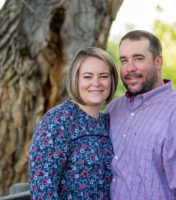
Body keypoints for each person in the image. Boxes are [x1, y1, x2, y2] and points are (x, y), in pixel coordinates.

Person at [105, 30, 176, 200]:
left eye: (138, 58)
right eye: (124, 60)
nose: (129, 68)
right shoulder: (113, 110)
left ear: (158, 61)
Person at [28, 47, 118, 199]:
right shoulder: (57, 122)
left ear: (112, 80)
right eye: (87, 76)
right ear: (75, 79)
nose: (96, 83)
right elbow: (42, 190)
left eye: (103, 76)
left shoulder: (108, 122)